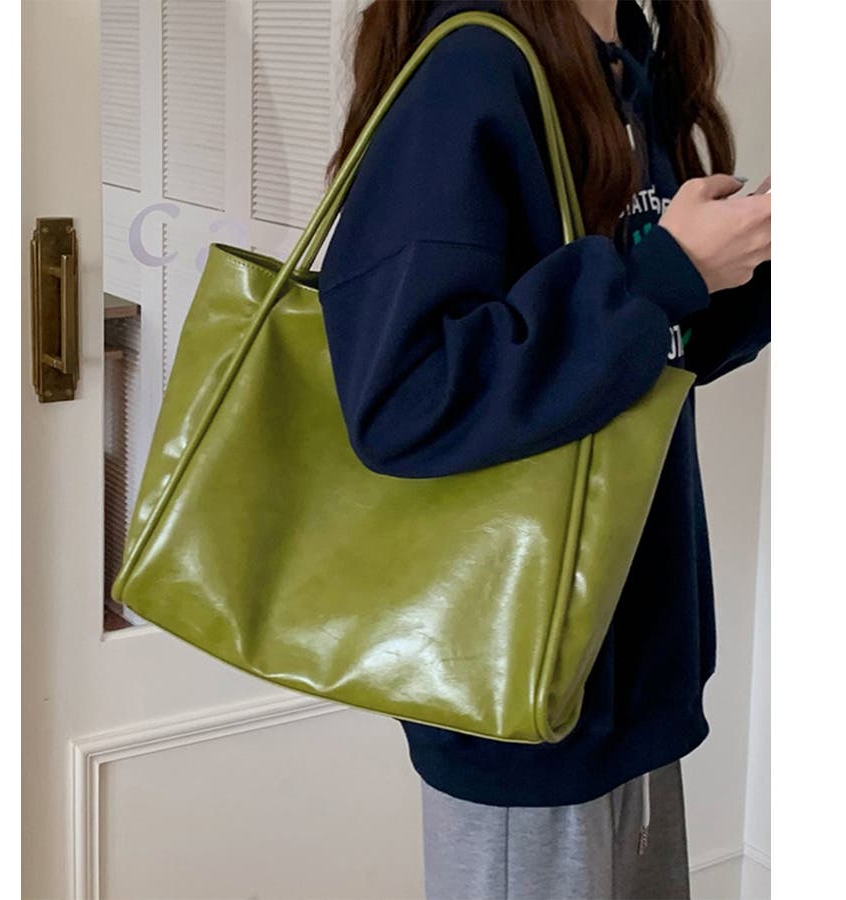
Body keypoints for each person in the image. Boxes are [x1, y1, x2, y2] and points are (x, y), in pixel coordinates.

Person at [318, 0, 771, 897]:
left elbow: (638, 355)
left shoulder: (626, 56)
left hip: (627, 659)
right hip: (525, 691)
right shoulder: (473, 67)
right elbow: (406, 396)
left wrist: (742, 268)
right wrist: (664, 274)